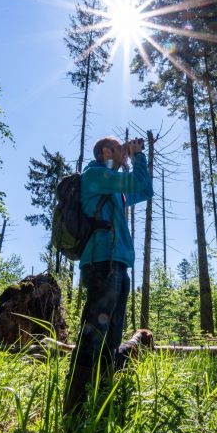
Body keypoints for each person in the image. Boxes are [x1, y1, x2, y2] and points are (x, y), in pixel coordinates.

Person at [63, 136, 154, 416]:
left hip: (117, 263)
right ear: (105, 152)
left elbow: (145, 189)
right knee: (94, 333)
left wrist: (135, 158)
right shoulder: (96, 174)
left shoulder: (113, 187)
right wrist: (137, 155)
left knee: (111, 336)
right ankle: (73, 409)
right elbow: (137, 181)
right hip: (103, 261)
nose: (124, 154)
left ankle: (101, 400)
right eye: (118, 149)